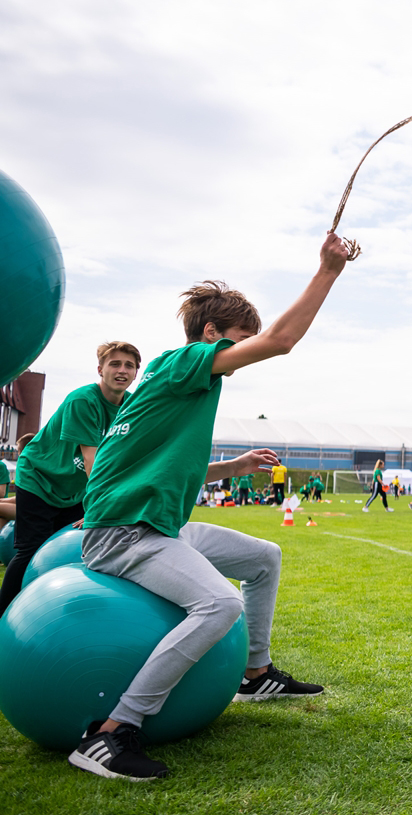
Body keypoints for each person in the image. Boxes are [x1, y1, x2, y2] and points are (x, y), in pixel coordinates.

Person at [68, 232, 353, 780]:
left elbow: (159, 465)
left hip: (155, 528)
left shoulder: (175, 385)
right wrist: (328, 272)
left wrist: (234, 467)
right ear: (212, 334)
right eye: (238, 340)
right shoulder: (186, 363)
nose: (243, 351)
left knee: (265, 555)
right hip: (124, 536)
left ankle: (255, 673)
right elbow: (281, 340)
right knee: (219, 606)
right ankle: (111, 732)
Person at [0, 342, 141, 616]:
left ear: (136, 373)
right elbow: (92, 459)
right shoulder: (83, 400)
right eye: (115, 364)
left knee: (83, 546)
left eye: (129, 365)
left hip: (74, 488)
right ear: (100, 369)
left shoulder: (132, 406)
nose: (122, 370)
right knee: (31, 550)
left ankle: (58, 610)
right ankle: (3, 615)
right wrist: (100, 507)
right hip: (40, 478)